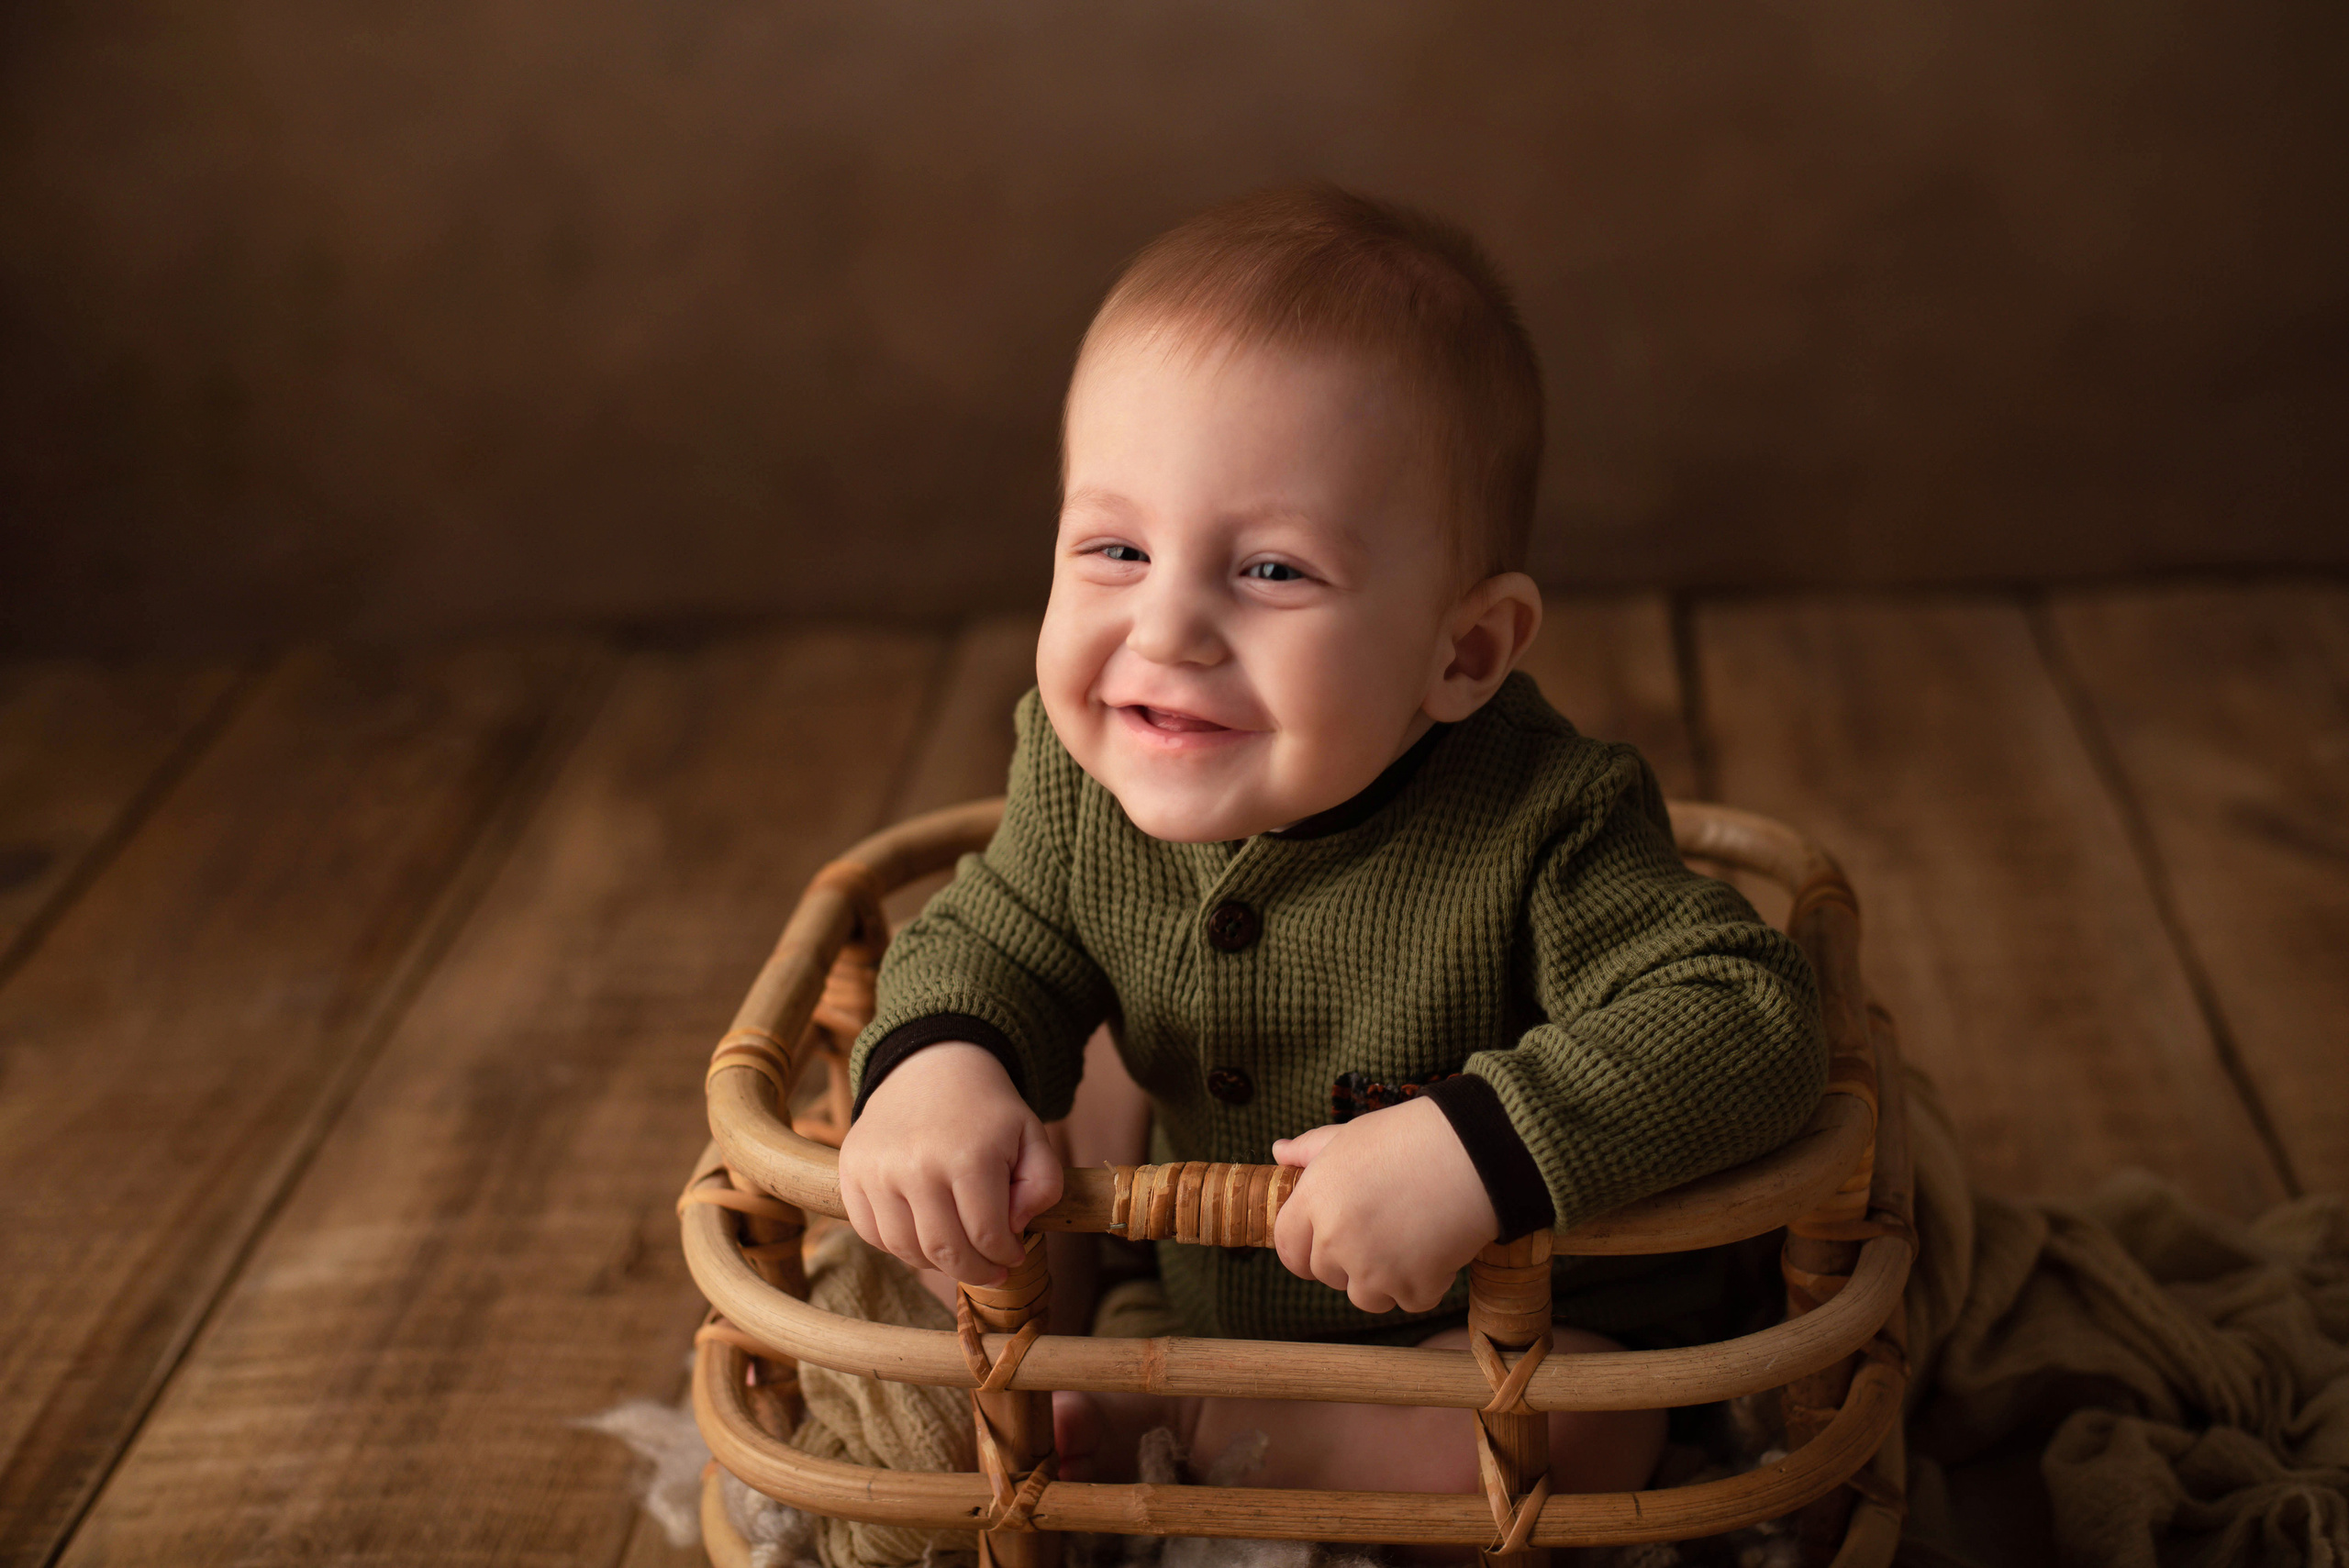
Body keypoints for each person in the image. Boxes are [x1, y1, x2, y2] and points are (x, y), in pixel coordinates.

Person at [836, 185, 1824, 1509]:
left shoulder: (1544, 817)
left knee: (1568, 1445)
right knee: (1000, 1140)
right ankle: (1141, 1387)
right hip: (1198, 1283)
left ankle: (1179, 1424)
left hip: (1503, 1330)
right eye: (1116, 548)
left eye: (1273, 572)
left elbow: (1749, 1016)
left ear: (1462, 651)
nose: (1169, 627)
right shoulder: (1078, 774)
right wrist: (941, 1062)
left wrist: (1480, 1148)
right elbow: (990, 931)